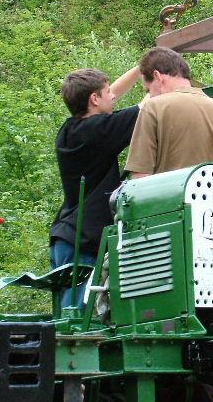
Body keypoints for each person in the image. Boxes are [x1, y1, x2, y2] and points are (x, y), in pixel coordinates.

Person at [50, 65, 143, 307]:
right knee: (79, 317)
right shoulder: (99, 131)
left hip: (67, 237)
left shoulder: (71, 129)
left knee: (69, 315)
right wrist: (159, 73)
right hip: (83, 242)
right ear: (93, 99)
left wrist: (142, 66)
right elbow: (149, 106)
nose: (113, 95)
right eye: (106, 92)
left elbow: (113, 94)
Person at [125, 47, 213, 178]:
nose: (150, 95)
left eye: (148, 90)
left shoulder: (153, 108)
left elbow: (140, 178)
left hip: (173, 198)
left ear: (157, 77)